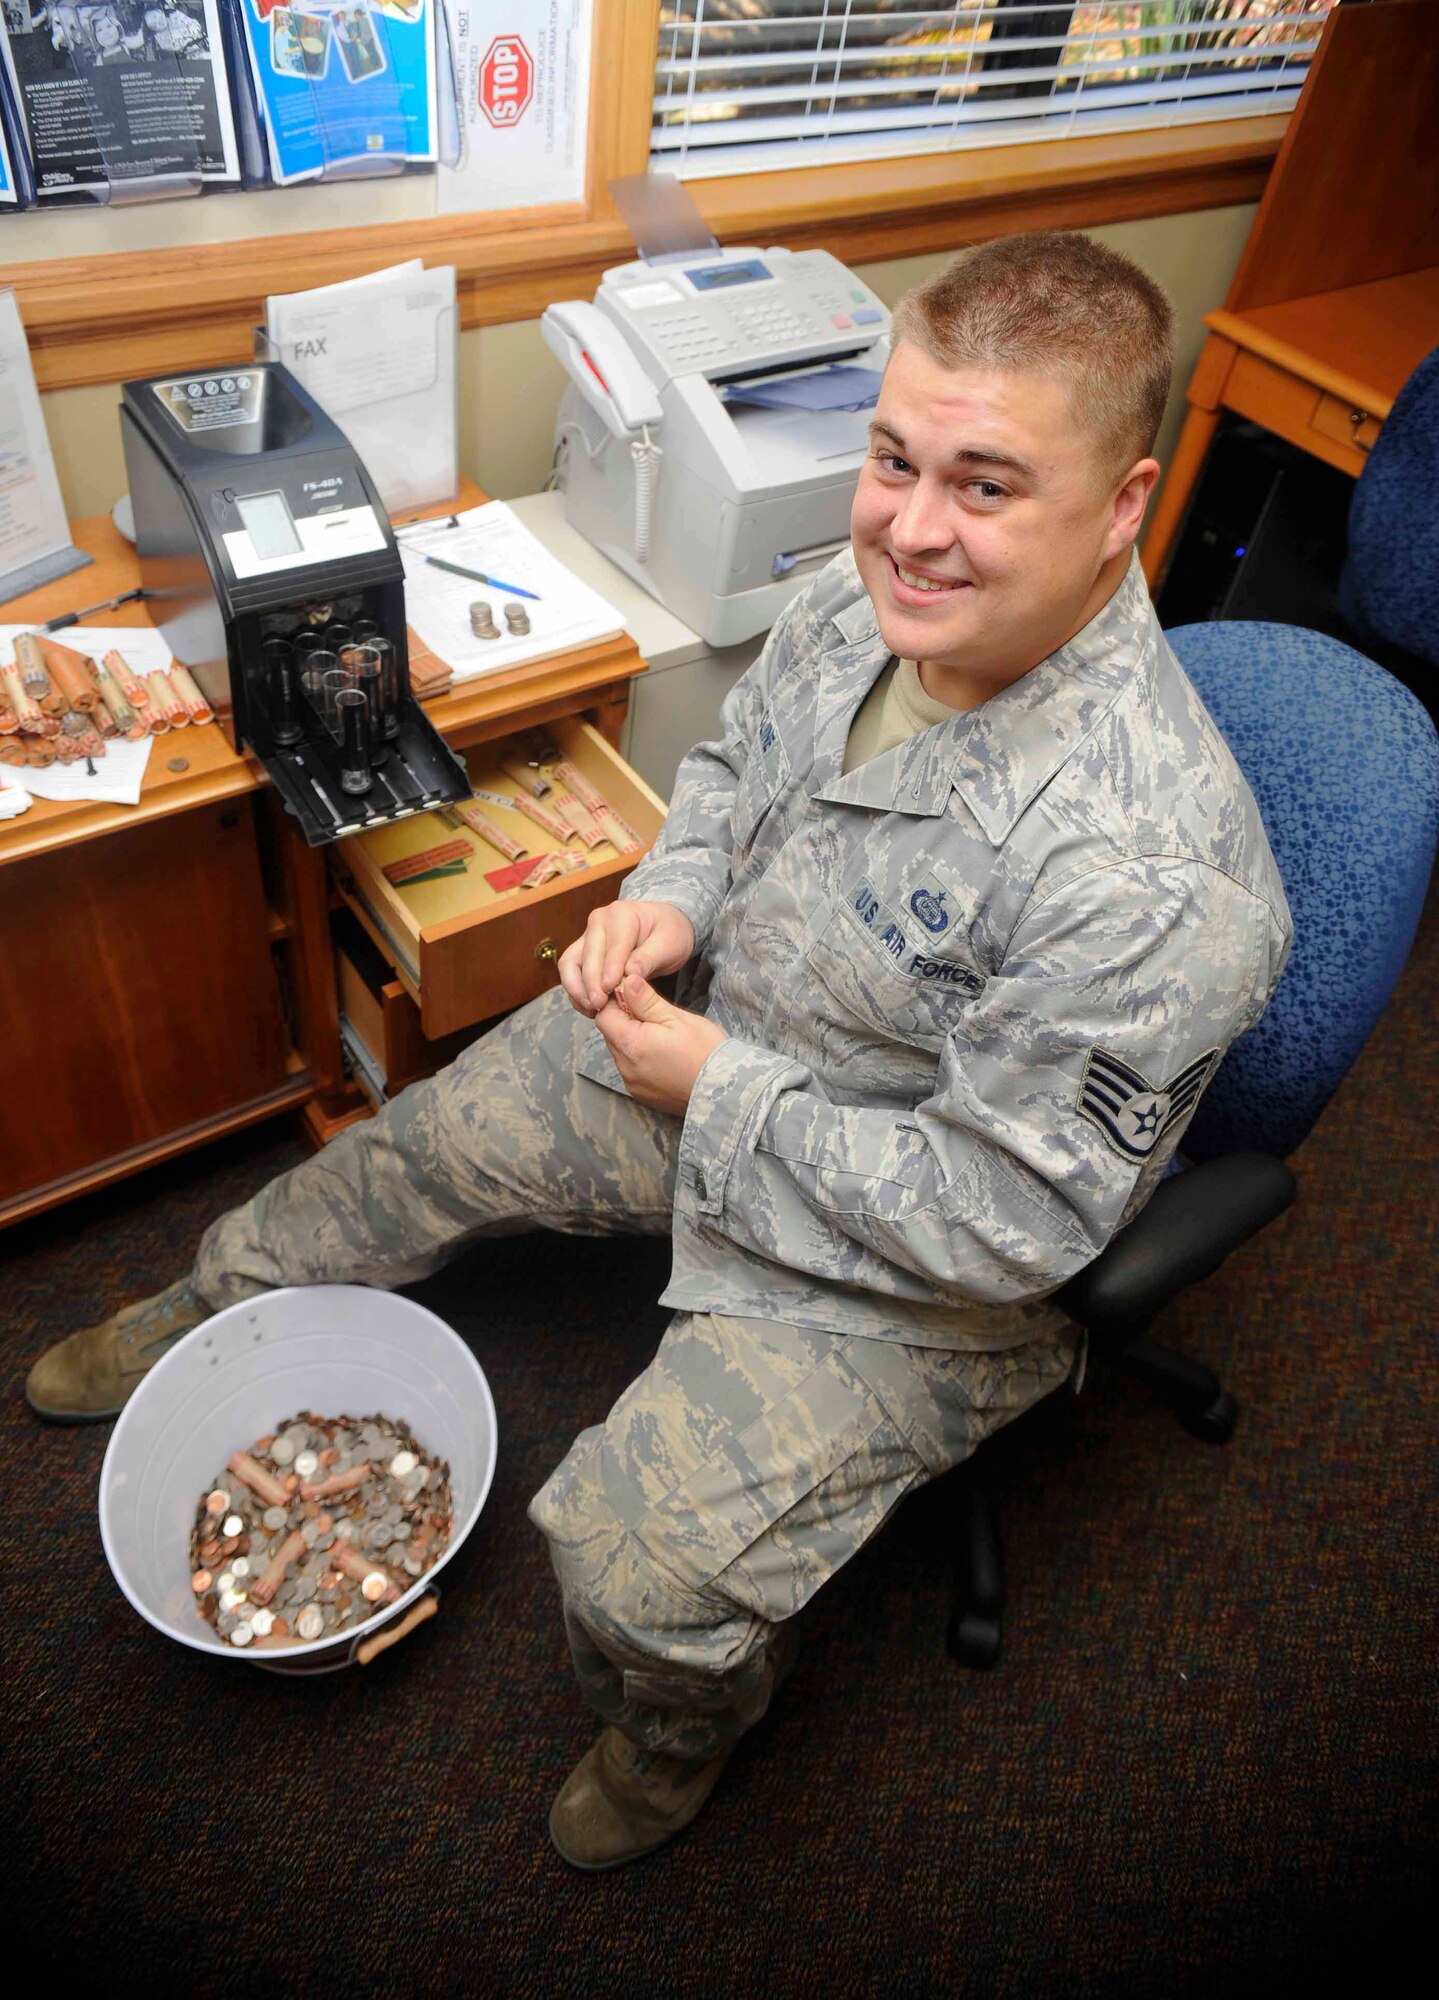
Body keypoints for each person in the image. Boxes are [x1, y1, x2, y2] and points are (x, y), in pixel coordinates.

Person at [27, 232, 1291, 1871]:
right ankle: (211, 1304)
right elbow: (727, 778)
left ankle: (685, 1728)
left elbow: (1012, 1224)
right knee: (416, 1140)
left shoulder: (1157, 879)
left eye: (985, 487)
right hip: (723, 1040)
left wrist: (724, 1095)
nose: (909, 527)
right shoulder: (864, 598)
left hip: (918, 1255)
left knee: (635, 1574)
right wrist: (676, 904)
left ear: (1123, 506)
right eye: (893, 458)